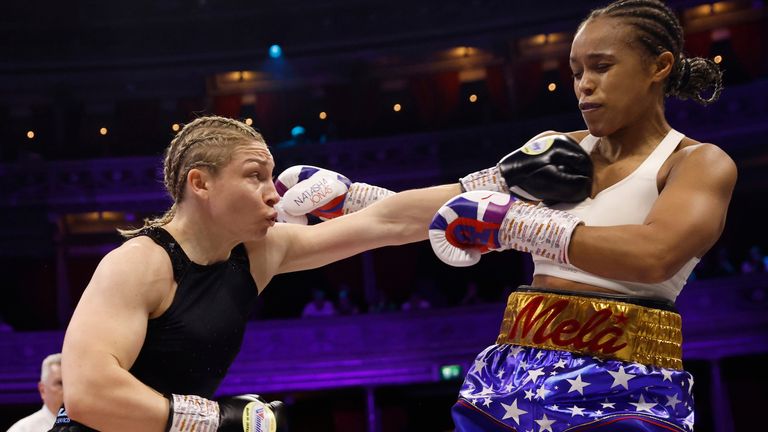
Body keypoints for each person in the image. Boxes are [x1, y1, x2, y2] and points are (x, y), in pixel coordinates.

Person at [425, 1, 736, 430]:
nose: (584, 86)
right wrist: (354, 202)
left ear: (659, 66)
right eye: (576, 72)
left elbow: (655, 255)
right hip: (511, 374)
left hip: (622, 384)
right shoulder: (556, 148)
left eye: (602, 67)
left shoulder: (698, 162)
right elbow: (453, 203)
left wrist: (515, 223)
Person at [7, 354, 62, 432]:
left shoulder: (84, 425)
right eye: (60, 384)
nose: (68, 391)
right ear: (42, 390)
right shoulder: (22, 429)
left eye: (72, 384)